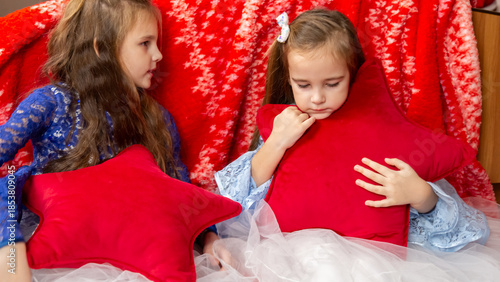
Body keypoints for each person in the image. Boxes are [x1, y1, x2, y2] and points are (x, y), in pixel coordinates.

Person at [214, 8, 489, 254]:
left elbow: (464, 231)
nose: (318, 98)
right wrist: (276, 143)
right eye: (303, 85)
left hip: (372, 255)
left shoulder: (382, 129)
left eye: (332, 83)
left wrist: (421, 196)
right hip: (287, 253)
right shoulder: (284, 124)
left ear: (352, 72)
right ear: (288, 80)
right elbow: (235, 204)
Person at [0, 0, 216, 281]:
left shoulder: (157, 119)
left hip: (134, 248)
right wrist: (11, 246)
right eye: (145, 43)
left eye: (157, 43)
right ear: (101, 48)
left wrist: (210, 239)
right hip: (56, 243)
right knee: (10, 185)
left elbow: (181, 190)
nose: (159, 55)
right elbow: (8, 174)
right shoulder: (50, 103)